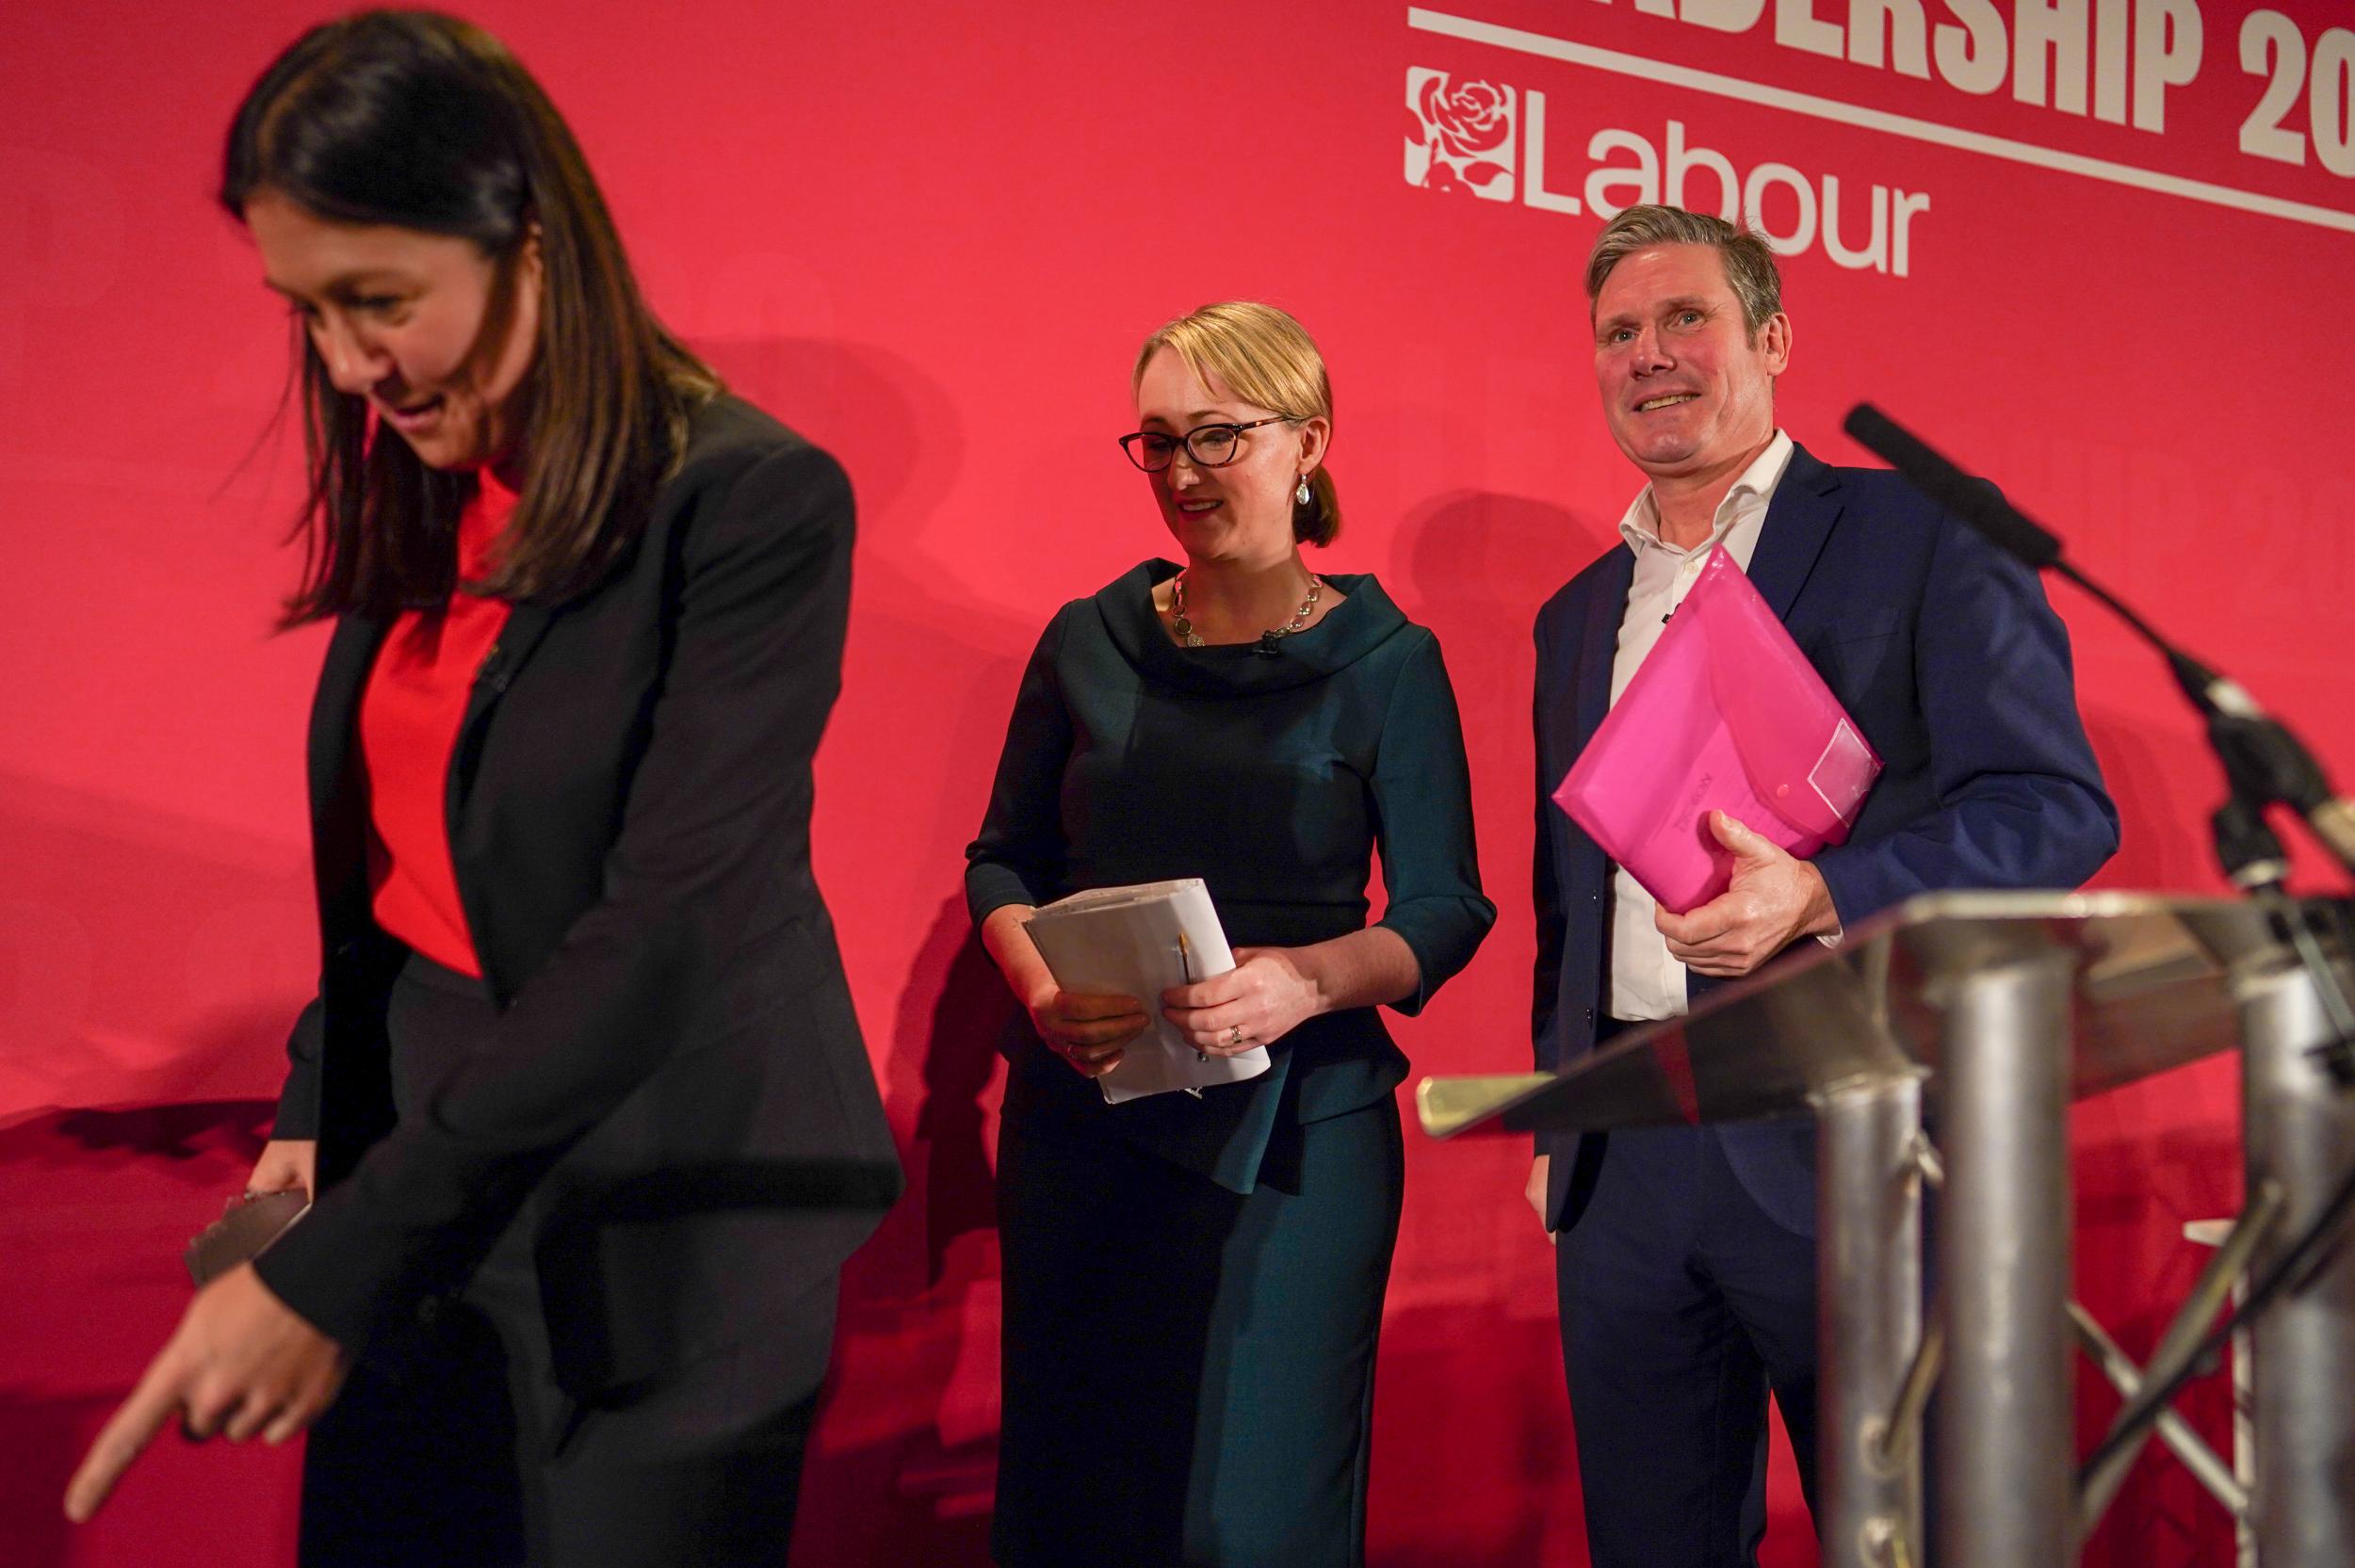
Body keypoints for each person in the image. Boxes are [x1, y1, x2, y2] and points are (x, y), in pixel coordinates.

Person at [63, 13, 900, 1563]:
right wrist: (324, 1105)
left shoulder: (752, 499)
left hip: (668, 1210)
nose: (344, 364)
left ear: (526, 236)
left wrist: (334, 1267)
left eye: (377, 302)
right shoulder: (426, 470)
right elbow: (399, 862)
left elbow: (663, 928)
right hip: (432, 1168)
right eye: (305, 311)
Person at [1527, 205, 2118, 1567]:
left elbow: (2057, 809)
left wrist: (1826, 893)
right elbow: (1573, 898)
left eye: (1687, 319)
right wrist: (1567, 1101)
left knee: (1912, 1535)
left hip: (1851, 1130)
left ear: (1773, 338)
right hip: (1625, 1156)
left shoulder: (1919, 533)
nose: (1650, 355)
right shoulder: (1575, 615)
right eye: (1619, 331)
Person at [966, 300, 1494, 1567]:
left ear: (1306, 441)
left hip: (1299, 1142)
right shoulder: (1087, 641)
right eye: (1157, 443)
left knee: (1253, 1519)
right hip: (1086, 1118)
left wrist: (1305, 981)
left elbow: (1443, 908)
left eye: (1218, 436)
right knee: (1078, 1498)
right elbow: (1004, 860)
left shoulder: (1390, 661)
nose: (1185, 474)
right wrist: (1041, 988)